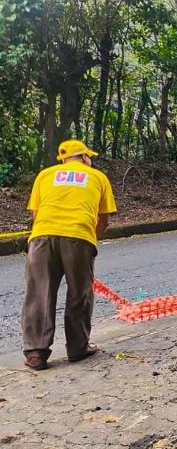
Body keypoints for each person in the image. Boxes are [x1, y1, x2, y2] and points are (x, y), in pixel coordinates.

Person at [22, 140, 117, 370]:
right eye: (89, 156)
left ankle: (36, 352)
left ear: (63, 160)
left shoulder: (45, 175)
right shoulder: (97, 177)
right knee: (79, 294)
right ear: (84, 157)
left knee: (39, 294)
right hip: (78, 237)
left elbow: (36, 215)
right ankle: (77, 348)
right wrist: (88, 239)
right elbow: (104, 219)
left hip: (42, 237)